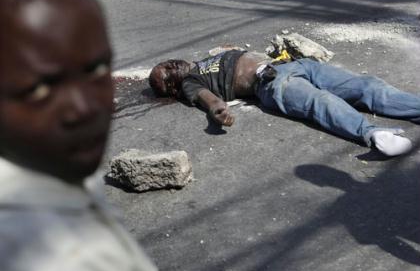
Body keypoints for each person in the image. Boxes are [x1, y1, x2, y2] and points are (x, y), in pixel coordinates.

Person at [0, 0, 158, 271]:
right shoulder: (58, 260)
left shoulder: (56, 166)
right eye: (39, 90)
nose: (83, 108)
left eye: (97, 70)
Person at [149, 49, 420, 156]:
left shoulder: (205, 61)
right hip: (271, 84)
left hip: (295, 66)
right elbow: (208, 100)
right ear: (172, 88)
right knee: (320, 101)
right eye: (166, 72)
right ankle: (372, 134)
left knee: (367, 85)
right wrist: (217, 109)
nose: (170, 65)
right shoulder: (190, 83)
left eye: (166, 63)